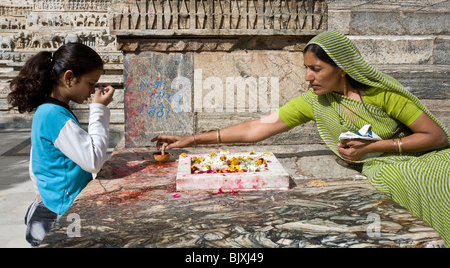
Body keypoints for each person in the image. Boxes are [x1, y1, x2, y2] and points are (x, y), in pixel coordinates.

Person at [152, 31, 450, 246]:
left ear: (343, 69)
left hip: (424, 157)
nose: (308, 77)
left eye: (316, 69)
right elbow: (258, 128)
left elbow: (436, 136)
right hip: (385, 169)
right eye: (307, 69)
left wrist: (378, 147)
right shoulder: (314, 102)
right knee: (397, 178)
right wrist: (191, 140)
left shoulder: (382, 95)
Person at [8, 43, 115, 247]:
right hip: (61, 212)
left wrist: (41, 190)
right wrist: (99, 109)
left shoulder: (48, 111)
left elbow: (36, 158)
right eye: (91, 83)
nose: (92, 90)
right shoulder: (54, 115)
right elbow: (92, 161)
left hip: (53, 203)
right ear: (69, 78)